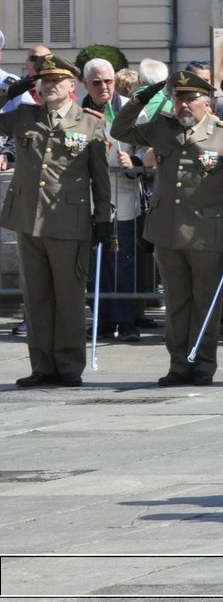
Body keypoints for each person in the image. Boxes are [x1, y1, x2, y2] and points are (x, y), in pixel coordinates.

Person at [111, 69, 223, 386]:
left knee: (206, 301)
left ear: (206, 102)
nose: (184, 105)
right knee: (176, 303)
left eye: (190, 99)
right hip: (168, 230)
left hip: (208, 232)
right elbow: (121, 129)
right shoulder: (162, 128)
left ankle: (202, 363)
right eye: (179, 99)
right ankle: (178, 363)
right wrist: (139, 99)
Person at [1, 56, 111, 386]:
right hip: (28, 219)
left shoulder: (89, 122)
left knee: (68, 297)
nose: (49, 85)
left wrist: (102, 218)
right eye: (43, 80)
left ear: (71, 86)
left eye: (56, 81)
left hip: (68, 222)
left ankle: (68, 365)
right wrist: (9, 93)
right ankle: (42, 365)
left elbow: (100, 178)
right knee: (35, 298)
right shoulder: (24, 115)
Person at [81, 58, 143, 343]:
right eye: (97, 83)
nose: (103, 87)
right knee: (96, 262)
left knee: (123, 261)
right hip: (88, 200)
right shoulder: (76, 113)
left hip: (122, 195)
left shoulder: (131, 111)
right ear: (85, 85)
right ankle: (102, 318)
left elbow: (147, 148)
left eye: (108, 81)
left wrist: (134, 161)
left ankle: (126, 320)